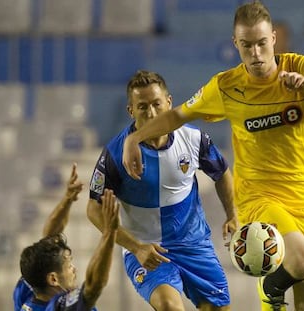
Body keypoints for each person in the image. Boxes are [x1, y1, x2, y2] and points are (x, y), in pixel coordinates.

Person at [121, 2, 304, 311]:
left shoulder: (302, 68)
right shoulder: (226, 87)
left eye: (261, 43)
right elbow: (177, 115)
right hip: (260, 197)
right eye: (247, 45)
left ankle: (274, 290)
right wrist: (135, 138)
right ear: (236, 44)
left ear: (273, 38)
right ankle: (269, 287)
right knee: (301, 258)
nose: (256, 53)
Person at [87, 70, 238, 311]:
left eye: (157, 104)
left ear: (169, 102)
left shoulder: (194, 139)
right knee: (169, 306)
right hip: (147, 249)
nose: (152, 113)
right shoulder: (115, 153)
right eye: (143, 107)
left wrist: (232, 214)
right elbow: (93, 209)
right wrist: (136, 247)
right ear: (131, 111)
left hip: (194, 244)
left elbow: (221, 173)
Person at [13, 163, 120, 311]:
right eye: (69, 266)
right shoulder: (58, 307)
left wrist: (68, 199)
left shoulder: (26, 291)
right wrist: (109, 233)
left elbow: (49, 239)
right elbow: (93, 287)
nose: (74, 270)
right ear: (53, 279)